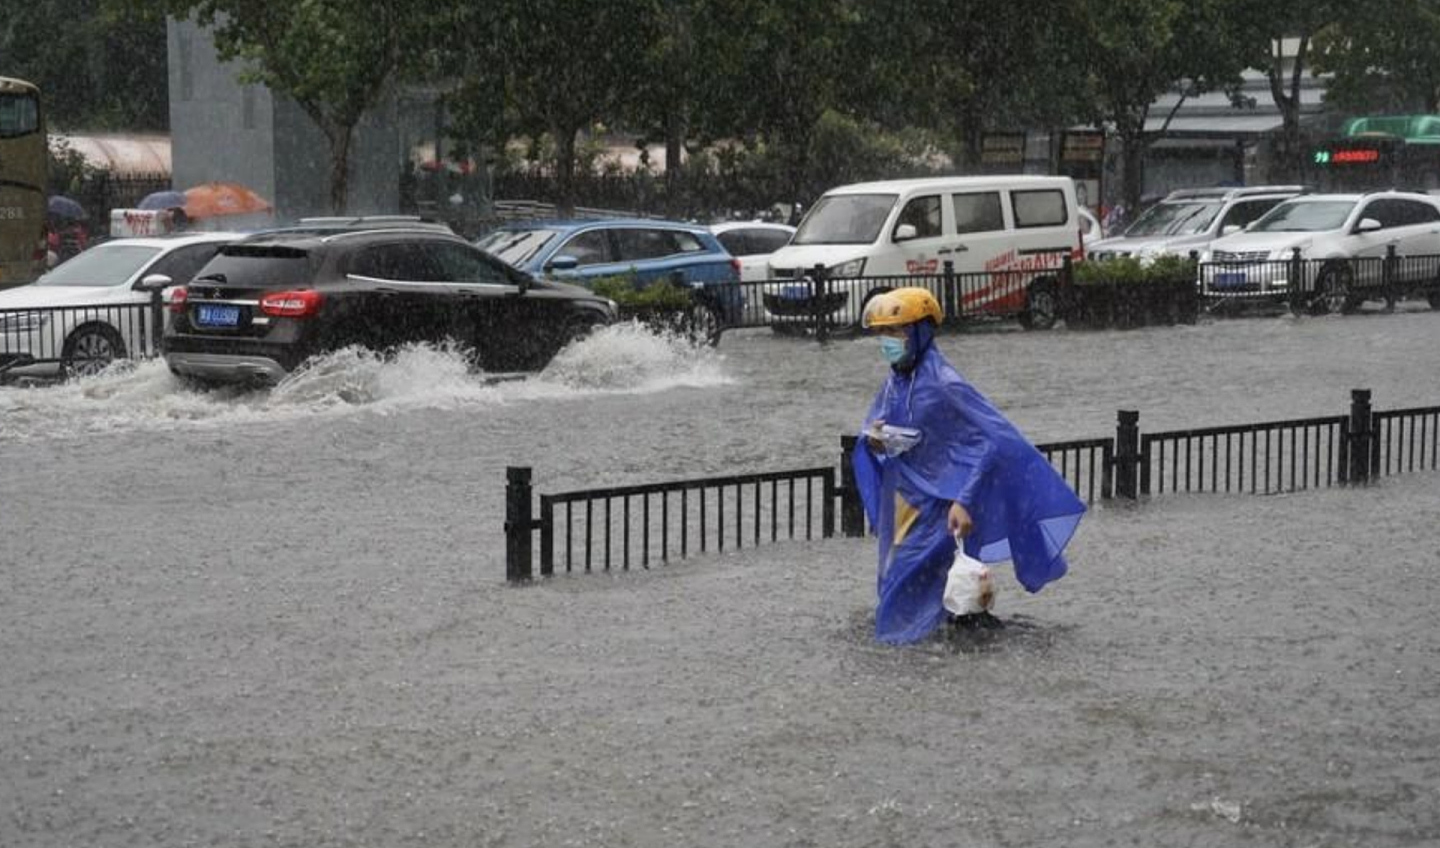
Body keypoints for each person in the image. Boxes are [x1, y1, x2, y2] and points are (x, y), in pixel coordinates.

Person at [852, 288, 1086, 644]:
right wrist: (874, 439)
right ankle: (939, 644)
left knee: (908, 587)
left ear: (920, 332)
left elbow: (991, 440)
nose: (888, 341)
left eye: (897, 332)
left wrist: (963, 499)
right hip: (906, 503)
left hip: (941, 506)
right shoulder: (895, 382)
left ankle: (903, 655)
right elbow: (886, 427)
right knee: (905, 584)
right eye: (884, 333)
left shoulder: (944, 383)